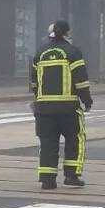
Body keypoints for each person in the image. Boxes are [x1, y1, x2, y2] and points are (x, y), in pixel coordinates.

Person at [30, 19, 93, 190]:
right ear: (67, 33)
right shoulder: (73, 52)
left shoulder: (40, 53)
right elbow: (81, 82)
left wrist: (40, 99)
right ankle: (71, 176)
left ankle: (47, 180)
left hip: (44, 109)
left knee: (48, 143)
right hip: (68, 108)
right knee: (75, 139)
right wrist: (87, 101)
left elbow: (34, 83)